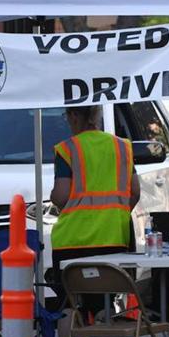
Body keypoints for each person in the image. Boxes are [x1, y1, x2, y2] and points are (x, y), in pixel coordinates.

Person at [49, 105, 140, 301]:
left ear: (74, 116)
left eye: (67, 116)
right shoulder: (122, 147)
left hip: (72, 242)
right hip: (113, 239)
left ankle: (76, 331)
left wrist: (55, 198)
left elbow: (61, 196)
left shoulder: (68, 148)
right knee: (104, 302)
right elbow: (135, 192)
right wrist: (114, 214)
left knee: (70, 306)